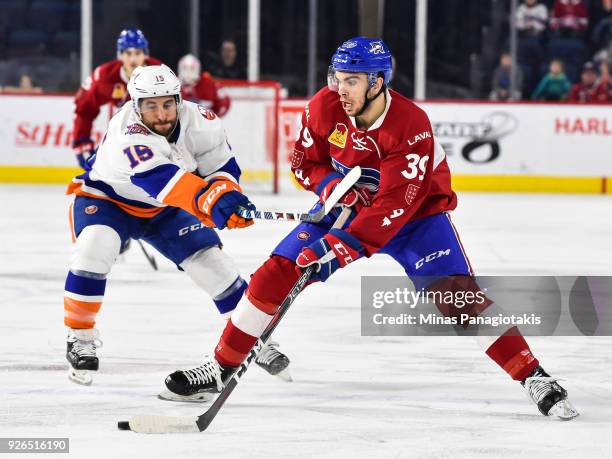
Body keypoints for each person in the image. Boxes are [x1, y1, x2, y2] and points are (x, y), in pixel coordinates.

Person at [162, 37, 578, 420]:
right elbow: (304, 164)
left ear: (378, 83)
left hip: (416, 219)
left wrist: (340, 247)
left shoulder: (410, 124)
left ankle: (533, 375)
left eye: (353, 81)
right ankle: (220, 368)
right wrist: (331, 188)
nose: (340, 89)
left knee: (457, 299)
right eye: (337, 78)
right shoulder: (323, 107)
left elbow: (395, 205)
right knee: (274, 274)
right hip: (344, 210)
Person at [63, 64, 290, 391]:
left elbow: (221, 165)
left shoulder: (202, 121)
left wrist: (227, 194)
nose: (162, 113)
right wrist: (211, 203)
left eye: (168, 103)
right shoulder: (126, 131)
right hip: (110, 201)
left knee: (216, 267)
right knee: (94, 250)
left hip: (167, 209)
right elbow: (162, 181)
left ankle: (254, 337)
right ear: (136, 106)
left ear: (179, 100)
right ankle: (79, 336)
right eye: (151, 106)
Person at [71, 29, 162, 171]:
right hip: (121, 139)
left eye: (137, 53)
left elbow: (176, 108)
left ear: (145, 54)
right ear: (120, 54)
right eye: (128, 53)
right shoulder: (105, 76)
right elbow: (84, 108)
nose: (132, 60)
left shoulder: (159, 74)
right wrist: (81, 140)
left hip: (155, 137)